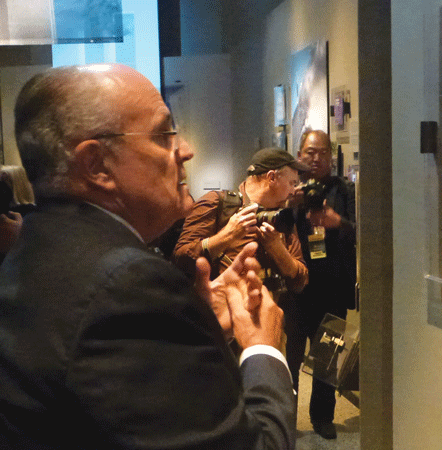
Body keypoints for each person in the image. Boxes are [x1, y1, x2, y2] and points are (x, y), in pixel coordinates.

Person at [0, 64, 296, 449]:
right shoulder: (126, 285)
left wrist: (193, 320)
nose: (185, 150)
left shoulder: (38, 243)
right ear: (96, 165)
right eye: (163, 135)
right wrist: (263, 349)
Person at [282, 129, 357, 440]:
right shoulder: (290, 188)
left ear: (331, 156)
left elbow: (362, 229)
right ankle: (286, 418)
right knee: (291, 358)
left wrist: (336, 222)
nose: (315, 158)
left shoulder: (345, 191)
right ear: (300, 154)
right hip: (297, 289)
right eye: (309, 152)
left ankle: (322, 417)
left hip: (333, 288)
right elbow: (276, 228)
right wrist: (290, 204)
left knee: (327, 357)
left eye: (322, 152)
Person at [172, 147, 309, 304]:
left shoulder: (281, 218)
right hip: (220, 319)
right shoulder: (217, 203)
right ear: (271, 178)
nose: (293, 191)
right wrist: (227, 236)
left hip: (270, 319)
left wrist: (277, 249)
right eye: (292, 183)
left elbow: (300, 282)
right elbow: (180, 261)